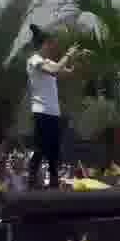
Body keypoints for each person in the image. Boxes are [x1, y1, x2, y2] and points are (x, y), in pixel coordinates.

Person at [25, 26, 82, 189]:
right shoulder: (34, 60)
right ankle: (32, 180)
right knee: (41, 147)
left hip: (53, 112)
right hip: (41, 111)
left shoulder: (48, 61)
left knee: (54, 149)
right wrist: (68, 54)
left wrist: (76, 59)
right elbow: (54, 70)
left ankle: (54, 182)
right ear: (44, 44)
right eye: (50, 44)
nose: (52, 47)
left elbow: (67, 73)